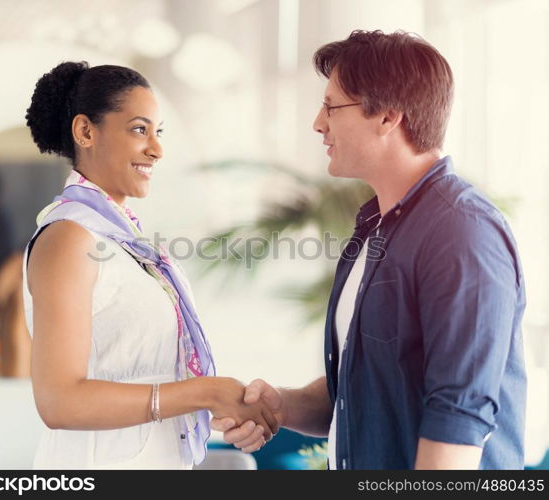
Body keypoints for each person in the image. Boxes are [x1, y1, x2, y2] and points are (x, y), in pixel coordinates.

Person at [213, 30, 526, 470]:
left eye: (332, 106)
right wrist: (280, 405)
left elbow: (460, 414)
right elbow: (359, 392)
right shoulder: (372, 228)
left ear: (388, 117)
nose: (318, 123)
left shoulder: (462, 230)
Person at [22, 61, 277, 469]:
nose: (156, 148)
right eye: (139, 129)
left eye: (158, 132)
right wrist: (205, 393)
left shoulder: (126, 243)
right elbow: (58, 401)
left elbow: (145, 374)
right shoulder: (68, 237)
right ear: (86, 132)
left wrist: (220, 407)